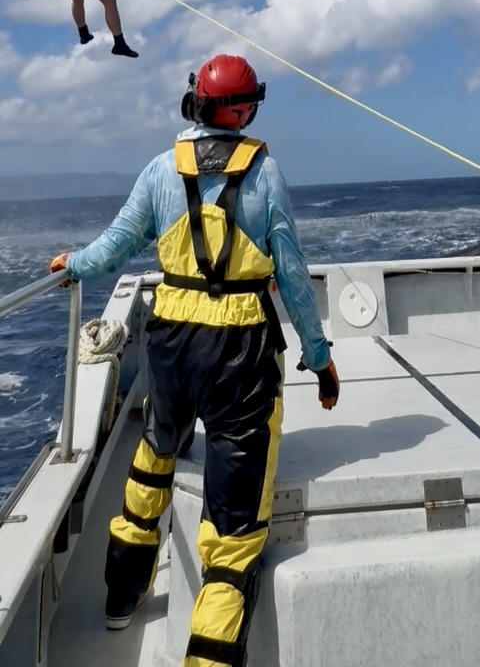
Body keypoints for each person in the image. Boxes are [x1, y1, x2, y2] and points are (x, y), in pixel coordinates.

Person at [49, 53, 339, 664]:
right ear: (245, 110)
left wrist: (72, 264)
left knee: (155, 458)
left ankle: (119, 600)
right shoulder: (264, 173)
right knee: (233, 536)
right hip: (239, 352)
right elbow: (288, 272)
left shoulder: (160, 170)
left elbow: (117, 244)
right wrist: (319, 357)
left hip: (173, 343)